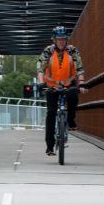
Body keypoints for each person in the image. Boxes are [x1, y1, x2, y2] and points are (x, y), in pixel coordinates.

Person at [37, 25, 84, 156]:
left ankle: (71, 120)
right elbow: (41, 69)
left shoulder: (72, 51)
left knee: (73, 96)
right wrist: (41, 83)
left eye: (63, 39)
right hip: (51, 86)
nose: (61, 41)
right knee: (51, 113)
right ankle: (50, 146)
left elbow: (79, 68)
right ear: (54, 40)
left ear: (66, 39)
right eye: (59, 39)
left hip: (68, 84)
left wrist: (81, 83)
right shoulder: (48, 51)